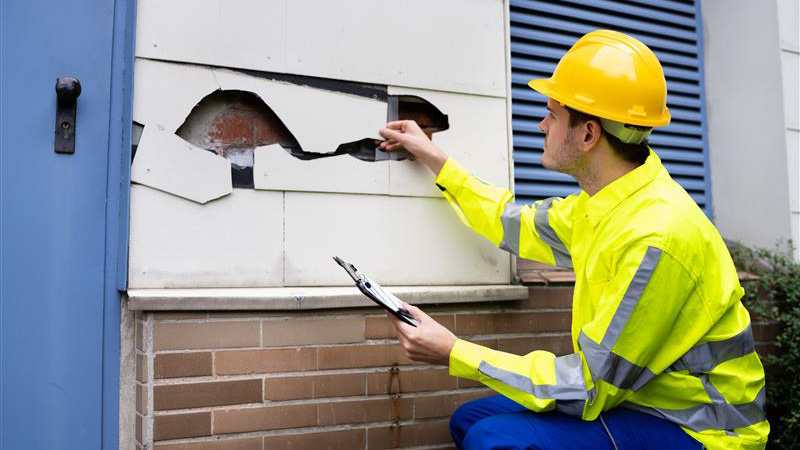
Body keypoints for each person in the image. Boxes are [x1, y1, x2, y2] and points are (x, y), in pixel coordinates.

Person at [377, 30, 768, 450]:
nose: (542, 124)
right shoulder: (605, 206)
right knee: (469, 420)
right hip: (642, 399)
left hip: (704, 430)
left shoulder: (656, 238)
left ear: (588, 134)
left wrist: (454, 351)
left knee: (496, 439)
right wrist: (434, 158)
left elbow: (587, 387)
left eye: (552, 113)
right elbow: (514, 223)